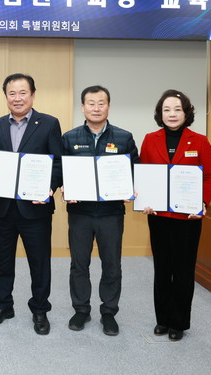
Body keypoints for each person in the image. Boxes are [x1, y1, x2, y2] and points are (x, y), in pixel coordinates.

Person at [0, 73, 62, 335]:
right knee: (2, 260)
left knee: (39, 262)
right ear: (6, 96)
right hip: (4, 207)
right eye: (12, 93)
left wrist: (50, 187)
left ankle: (40, 310)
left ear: (33, 95)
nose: (17, 98)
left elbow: (58, 162)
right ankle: (2, 305)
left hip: (36, 207)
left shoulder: (49, 123)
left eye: (22, 92)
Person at [140, 89, 211, 342]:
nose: (172, 114)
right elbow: (144, 175)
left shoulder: (200, 141)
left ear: (186, 113)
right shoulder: (150, 139)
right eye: (166, 110)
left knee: (183, 270)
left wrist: (202, 203)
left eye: (177, 109)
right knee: (162, 269)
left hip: (188, 218)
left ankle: (179, 322)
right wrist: (144, 201)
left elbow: (210, 177)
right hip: (159, 216)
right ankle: (162, 319)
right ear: (160, 114)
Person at [61, 85, 138, 336]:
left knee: (112, 264)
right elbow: (61, 171)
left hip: (111, 213)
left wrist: (131, 189)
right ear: (82, 107)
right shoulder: (69, 138)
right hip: (80, 213)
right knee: (79, 264)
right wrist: (63, 187)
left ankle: (109, 312)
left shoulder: (124, 138)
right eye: (91, 103)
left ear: (109, 106)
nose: (96, 108)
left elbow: (135, 170)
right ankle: (81, 309)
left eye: (101, 103)